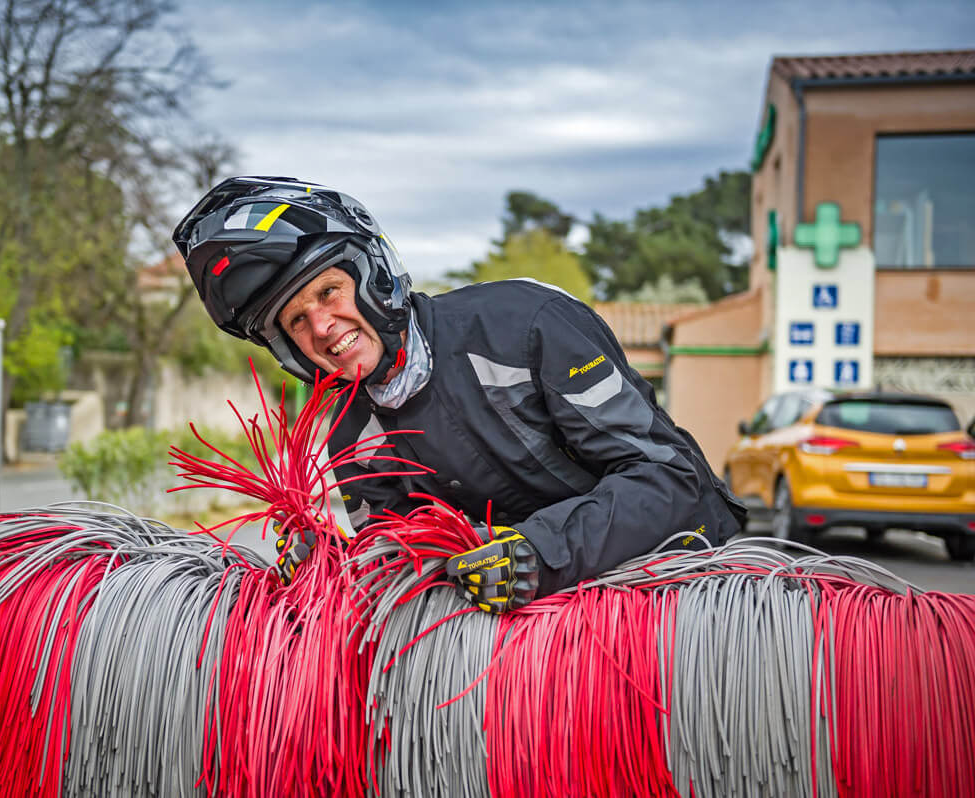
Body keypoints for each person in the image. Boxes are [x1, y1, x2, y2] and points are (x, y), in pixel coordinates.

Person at [172, 176, 748, 613]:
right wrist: (331, 563)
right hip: (534, 632)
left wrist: (534, 555)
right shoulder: (349, 429)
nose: (322, 325)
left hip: (689, 594)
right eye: (297, 320)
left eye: (328, 292)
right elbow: (402, 562)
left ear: (374, 274)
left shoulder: (526, 324)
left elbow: (670, 481)